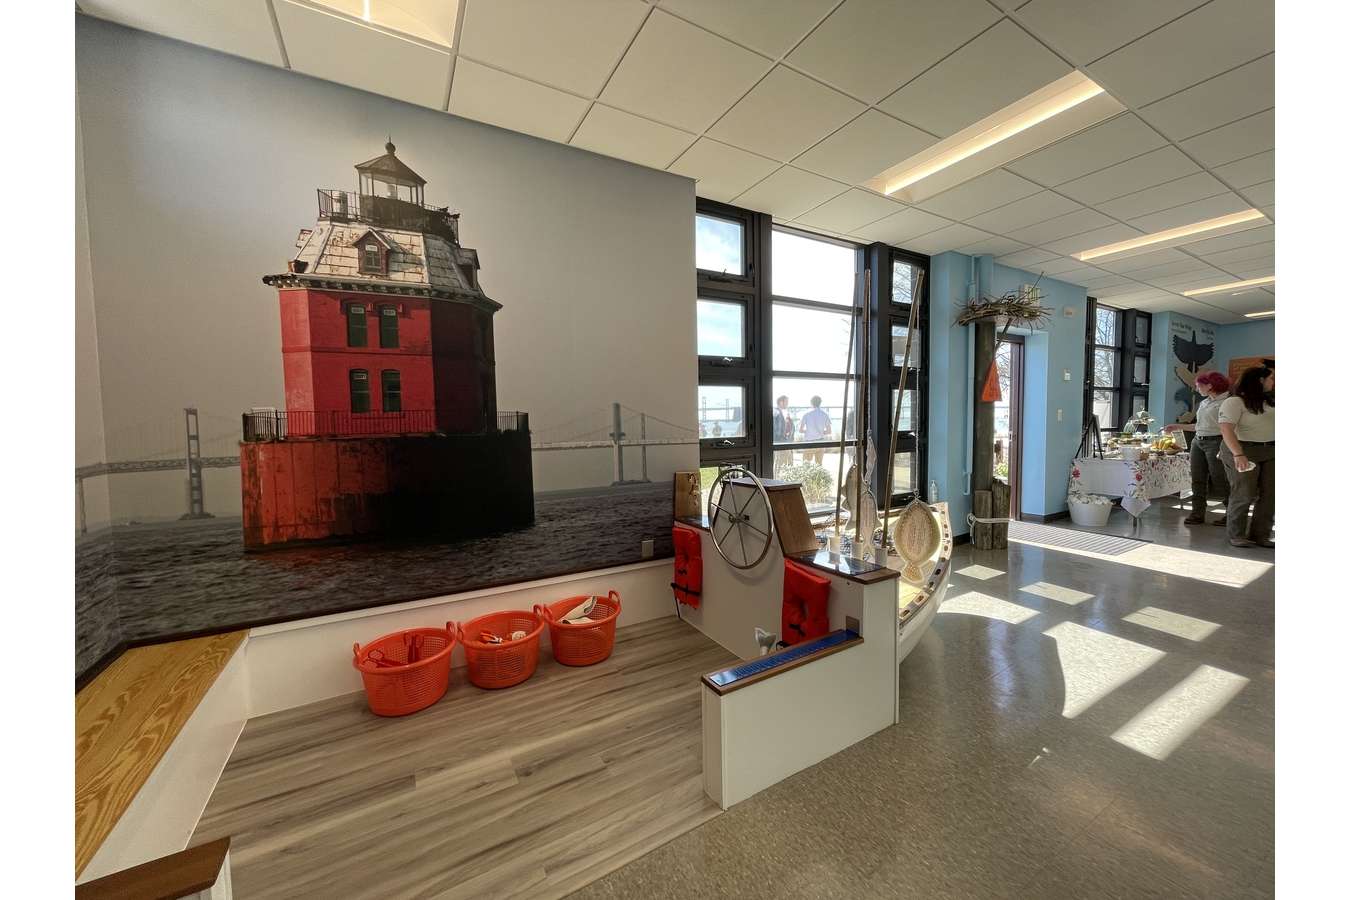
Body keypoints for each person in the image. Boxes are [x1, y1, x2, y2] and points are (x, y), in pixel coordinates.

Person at [1217, 366, 1275, 548]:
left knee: (1270, 495)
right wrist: (1238, 454)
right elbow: (1226, 429)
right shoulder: (1235, 402)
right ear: (1260, 380)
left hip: (1270, 450)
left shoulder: (1270, 401)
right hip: (1242, 450)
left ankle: (1260, 535)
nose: (1273, 382)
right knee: (1244, 493)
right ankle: (1236, 534)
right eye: (1270, 379)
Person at [1163, 372, 1231, 525]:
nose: (1196, 388)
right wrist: (1176, 426)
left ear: (1210, 386)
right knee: (1197, 479)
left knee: (1220, 479)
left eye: (1199, 385)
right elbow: (1199, 426)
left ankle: (1231, 515)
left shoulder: (1228, 402)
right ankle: (1197, 513)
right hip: (1198, 442)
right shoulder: (1205, 403)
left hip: (1217, 442)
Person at [799, 396, 832, 465]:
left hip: (809, 443)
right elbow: (829, 431)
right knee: (819, 465)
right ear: (820, 403)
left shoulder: (806, 414)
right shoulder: (825, 414)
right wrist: (820, 432)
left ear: (811, 403)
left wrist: (809, 431)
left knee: (806, 466)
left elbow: (800, 430)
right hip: (820, 443)